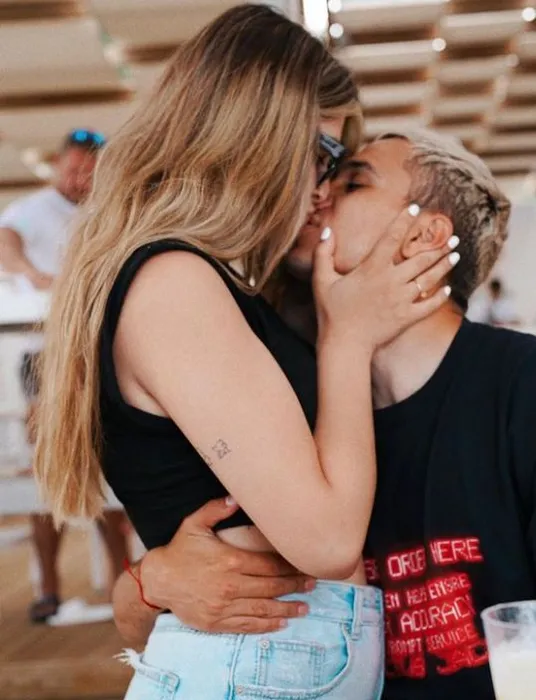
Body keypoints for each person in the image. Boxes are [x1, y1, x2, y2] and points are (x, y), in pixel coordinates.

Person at [34, 5, 455, 700]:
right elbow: (326, 539)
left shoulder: (207, 281)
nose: (321, 190)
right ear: (262, 135)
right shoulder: (173, 282)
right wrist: (347, 337)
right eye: (324, 156)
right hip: (259, 662)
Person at [110, 128, 534, 700]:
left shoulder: (521, 386)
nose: (318, 194)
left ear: (425, 236)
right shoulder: (294, 404)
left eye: (353, 184)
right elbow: (143, 620)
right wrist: (152, 581)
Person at [0, 129, 129, 623]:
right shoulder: (30, 210)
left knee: (110, 465)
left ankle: (123, 584)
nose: (81, 179)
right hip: (44, 354)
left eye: (89, 172)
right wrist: (31, 273)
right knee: (47, 470)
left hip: (95, 352)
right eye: (74, 169)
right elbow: (7, 240)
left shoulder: (105, 211)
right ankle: (48, 589)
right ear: (58, 164)